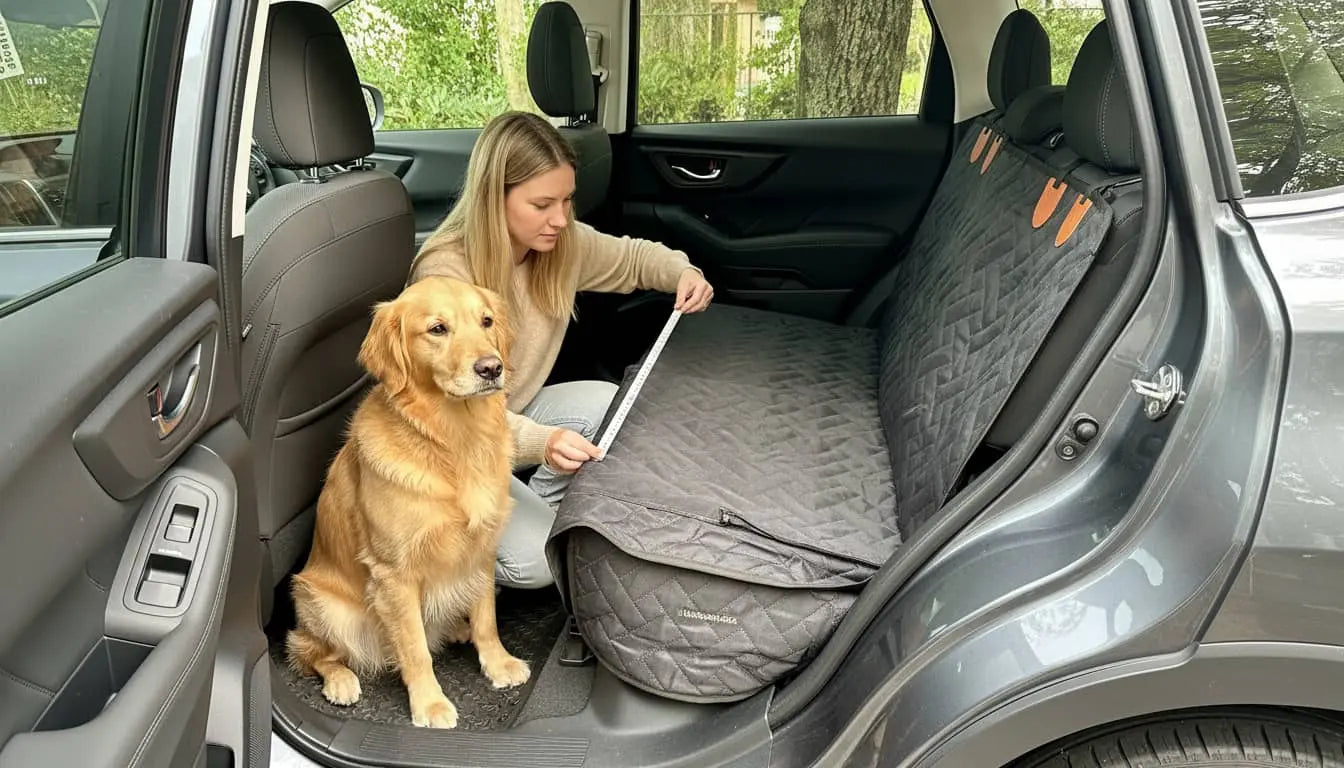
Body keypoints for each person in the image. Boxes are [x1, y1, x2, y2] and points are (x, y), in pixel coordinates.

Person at [407, 111, 714, 590]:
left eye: (568, 199)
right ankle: (458, 564)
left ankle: (541, 509)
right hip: (450, 447)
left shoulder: (558, 244)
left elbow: (633, 258)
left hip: (507, 415)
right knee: (537, 563)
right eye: (543, 203)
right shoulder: (445, 274)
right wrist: (541, 443)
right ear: (495, 198)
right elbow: (451, 413)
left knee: (609, 403)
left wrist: (682, 273)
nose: (561, 218)